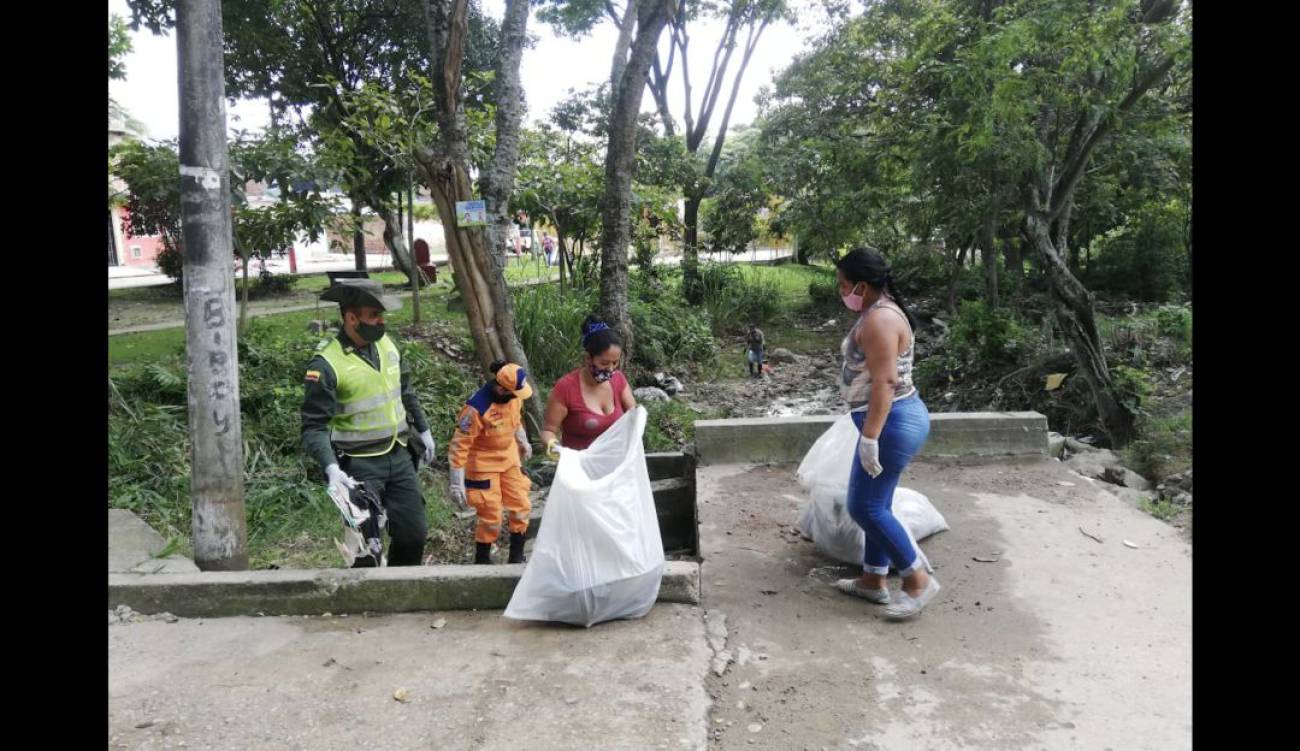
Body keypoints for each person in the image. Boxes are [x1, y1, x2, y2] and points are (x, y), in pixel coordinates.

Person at [831, 248, 937, 620]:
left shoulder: (880, 319)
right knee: (878, 503)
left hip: (891, 423)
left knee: (865, 506)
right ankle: (873, 579)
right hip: (891, 420)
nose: (841, 291)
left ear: (862, 286)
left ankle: (917, 580)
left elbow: (886, 382)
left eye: (843, 284)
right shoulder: (878, 311)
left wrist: (870, 437)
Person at [300, 279, 437, 567]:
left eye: (382, 315)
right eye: (374, 315)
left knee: (413, 534)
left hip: (399, 455)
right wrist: (331, 468)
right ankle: (369, 589)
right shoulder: (326, 364)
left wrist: (423, 430)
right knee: (366, 548)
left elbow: (405, 390)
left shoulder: (386, 345)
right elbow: (314, 426)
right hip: (358, 466)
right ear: (351, 318)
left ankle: (402, 586)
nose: (381, 321)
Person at [447, 361, 535, 564]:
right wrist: (456, 482)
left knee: (521, 505)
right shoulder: (476, 408)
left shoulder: (514, 397)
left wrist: (523, 441)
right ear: (501, 389)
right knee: (491, 515)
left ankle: (516, 556)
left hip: (509, 459)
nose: (516, 397)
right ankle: (483, 560)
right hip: (483, 465)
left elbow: (515, 421)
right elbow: (459, 446)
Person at [539, 316, 638, 456]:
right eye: (604, 363)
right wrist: (556, 449)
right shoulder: (566, 388)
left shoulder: (618, 380)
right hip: (580, 465)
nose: (610, 369)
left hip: (617, 462)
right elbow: (549, 431)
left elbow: (634, 416)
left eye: (615, 363)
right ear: (588, 358)